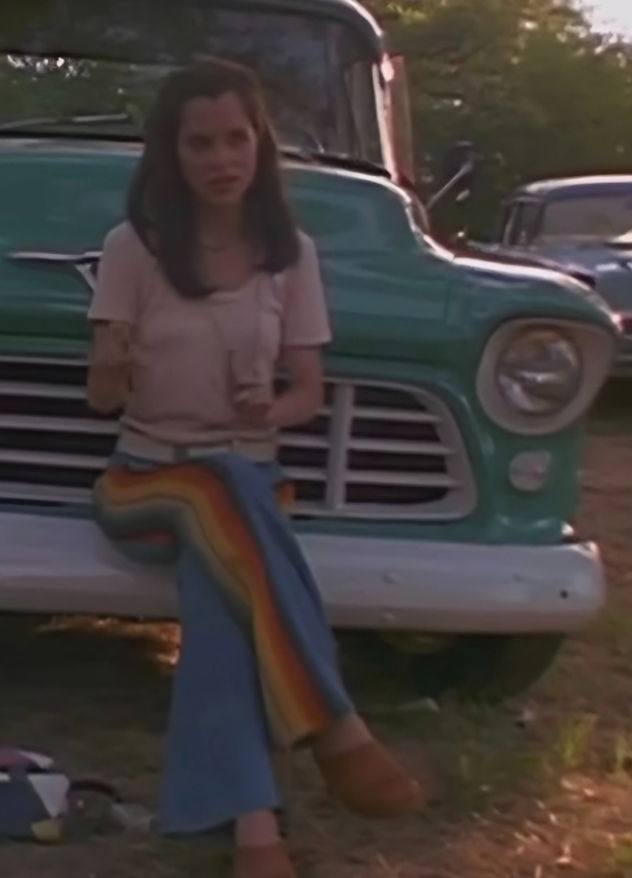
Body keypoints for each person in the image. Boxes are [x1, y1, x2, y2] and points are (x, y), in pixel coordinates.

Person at [84, 58, 424, 878]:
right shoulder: (133, 247)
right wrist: (115, 364)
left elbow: (307, 391)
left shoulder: (289, 254)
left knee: (220, 600)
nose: (221, 159)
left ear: (260, 144)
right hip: (144, 480)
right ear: (171, 153)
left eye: (236, 139)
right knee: (221, 492)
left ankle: (252, 832)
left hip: (247, 484)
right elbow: (101, 399)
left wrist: (268, 411)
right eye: (199, 143)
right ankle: (336, 727)